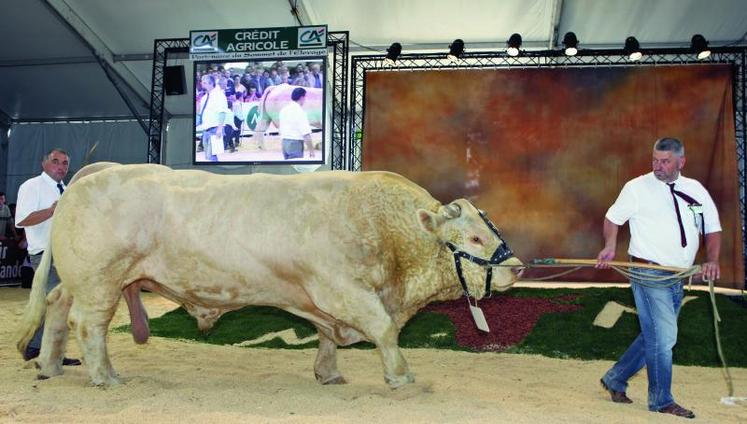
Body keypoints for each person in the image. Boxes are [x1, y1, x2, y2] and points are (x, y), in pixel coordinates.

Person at [596, 137, 721, 419]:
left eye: (665, 161)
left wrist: (712, 259)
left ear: (681, 162)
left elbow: (711, 228)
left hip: (678, 277)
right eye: (655, 160)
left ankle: (615, 379)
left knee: (654, 336)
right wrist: (610, 245)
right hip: (647, 271)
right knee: (664, 337)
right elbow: (613, 218)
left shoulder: (695, 191)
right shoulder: (637, 187)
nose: (658, 166)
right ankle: (661, 400)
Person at [15, 148, 81, 366]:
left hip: (65, 253)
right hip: (44, 254)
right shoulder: (32, 186)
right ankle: (46, 351)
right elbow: (22, 220)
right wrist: (52, 211)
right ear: (44, 164)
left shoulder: (68, 189)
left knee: (58, 304)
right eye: (56, 162)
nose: (61, 167)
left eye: (65, 163)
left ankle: (37, 347)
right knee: (59, 304)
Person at [197, 74, 228, 161]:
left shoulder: (219, 95)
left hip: (215, 129)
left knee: (212, 155)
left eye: (204, 82)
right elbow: (201, 113)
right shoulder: (204, 97)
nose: (202, 84)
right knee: (208, 156)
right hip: (206, 129)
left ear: (211, 84)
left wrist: (219, 128)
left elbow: (222, 112)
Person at [278, 87, 315, 160]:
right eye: (305, 97)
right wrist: (311, 150)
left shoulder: (284, 110)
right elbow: (306, 134)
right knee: (296, 168)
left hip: (284, 143)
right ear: (302, 97)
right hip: (295, 143)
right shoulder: (300, 111)